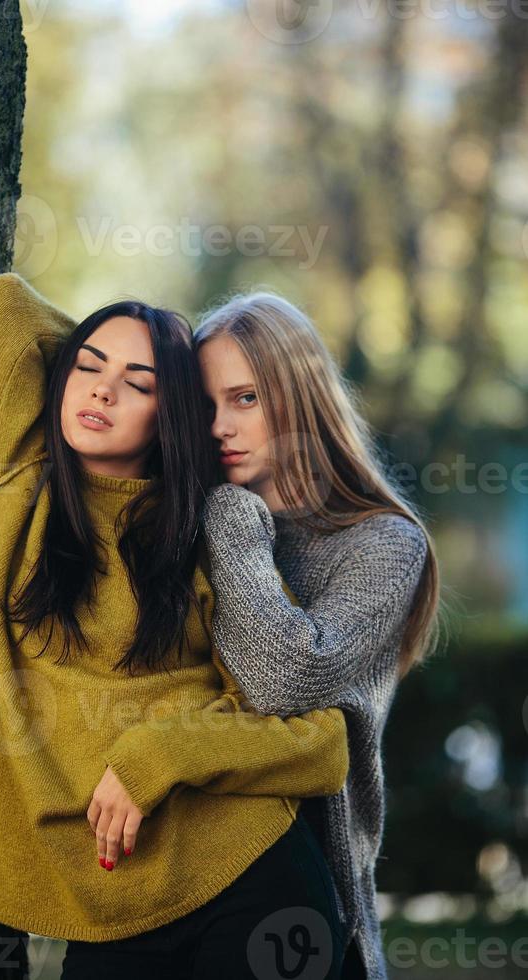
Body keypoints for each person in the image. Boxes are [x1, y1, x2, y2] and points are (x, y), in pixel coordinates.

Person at [0, 271, 353, 980]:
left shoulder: (209, 536)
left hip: (246, 876)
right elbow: (5, 305)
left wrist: (158, 756)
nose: (101, 391)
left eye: (139, 384)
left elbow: (320, 745)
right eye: (84, 367)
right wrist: (151, 337)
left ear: (170, 410)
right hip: (111, 907)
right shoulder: (18, 484)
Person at [193, 291, 442, 980]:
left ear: (298, 396)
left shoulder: (382, 544)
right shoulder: (185, 525)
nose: (219, 425)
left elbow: (286, 679)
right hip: (173, 885)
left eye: (244, 398)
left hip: (303, 913)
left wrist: (230, 520)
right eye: (206, 404)